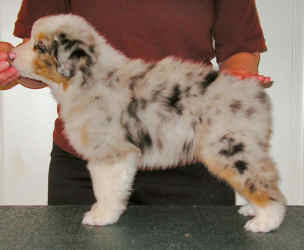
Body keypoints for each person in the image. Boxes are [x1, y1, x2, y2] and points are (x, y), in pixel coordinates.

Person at [0, 0, 271, 206]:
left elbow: (239, 50)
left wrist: (237, 80)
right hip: (86, 164)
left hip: (190, 160)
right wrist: (12, 66)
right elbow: (39, 56)